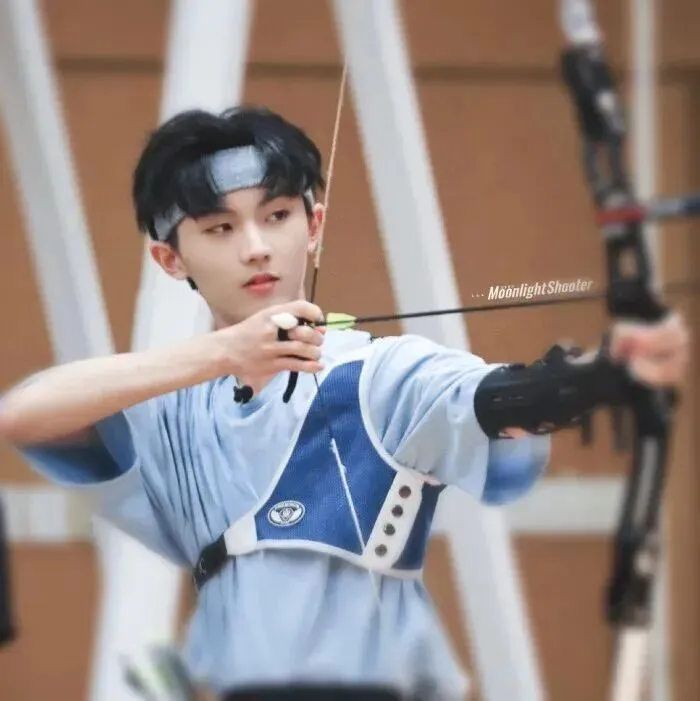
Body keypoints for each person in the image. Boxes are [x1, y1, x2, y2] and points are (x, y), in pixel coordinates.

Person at [0, 106, 689, 701]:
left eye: (277, 215)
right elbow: (24, 415)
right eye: (219, 228)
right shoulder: (170, 409)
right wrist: (226, 352)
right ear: (170, 260)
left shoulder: (380, 373)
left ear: (314, 223)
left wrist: (601, 373)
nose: (257, 248)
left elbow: (500, 398)